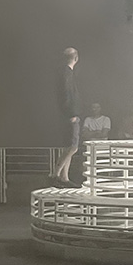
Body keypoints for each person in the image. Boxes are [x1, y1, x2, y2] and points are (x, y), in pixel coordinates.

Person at [54, 47, 81, 187]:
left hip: (68, 113)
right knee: (73, 146)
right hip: (70, 114)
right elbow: (67, 95)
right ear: (76, 58)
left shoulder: (65, 72)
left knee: (68, 146)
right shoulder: (67, 73)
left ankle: (64, 177)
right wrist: (71, 113)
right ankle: (55, 174)